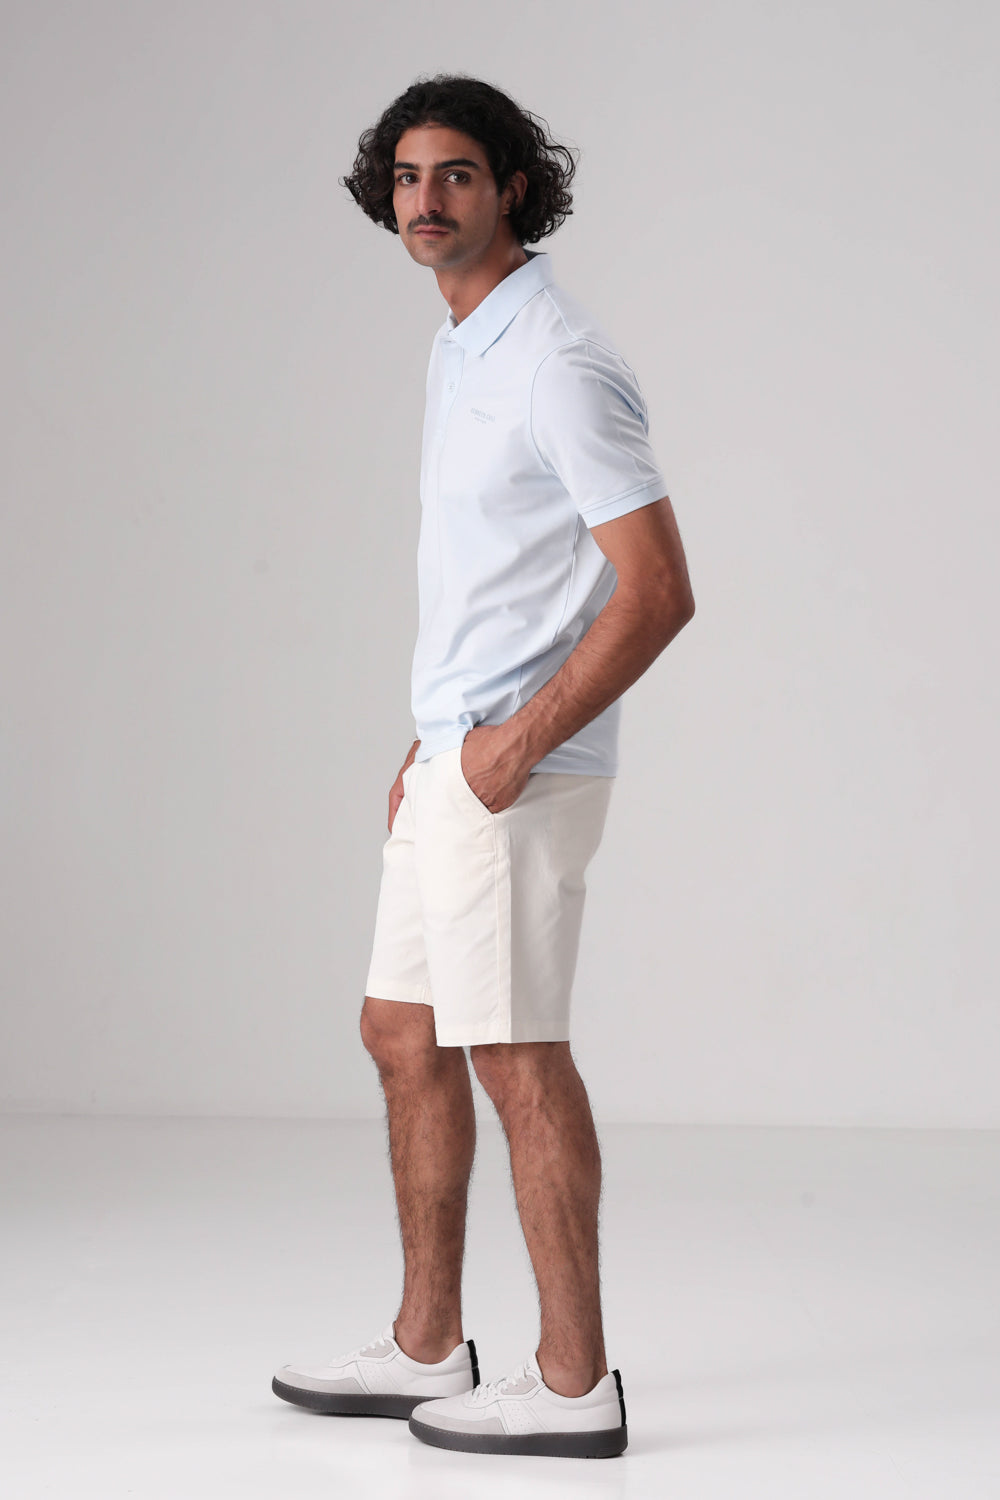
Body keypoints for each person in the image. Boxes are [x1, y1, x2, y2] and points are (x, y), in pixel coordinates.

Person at [272, 73, 695, 1460]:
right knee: (401, 1033)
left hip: (522, 766)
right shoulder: (463, 342)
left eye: (456, 173)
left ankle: (573, 1384)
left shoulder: (557, 359)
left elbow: (657, 588)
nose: (426, 199)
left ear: (514, 185)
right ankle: (424, 1345)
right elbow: (503, 572)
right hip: (456, 754)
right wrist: (441, 729)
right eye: (406, 177)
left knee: (515, 1055)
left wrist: (516, 739)